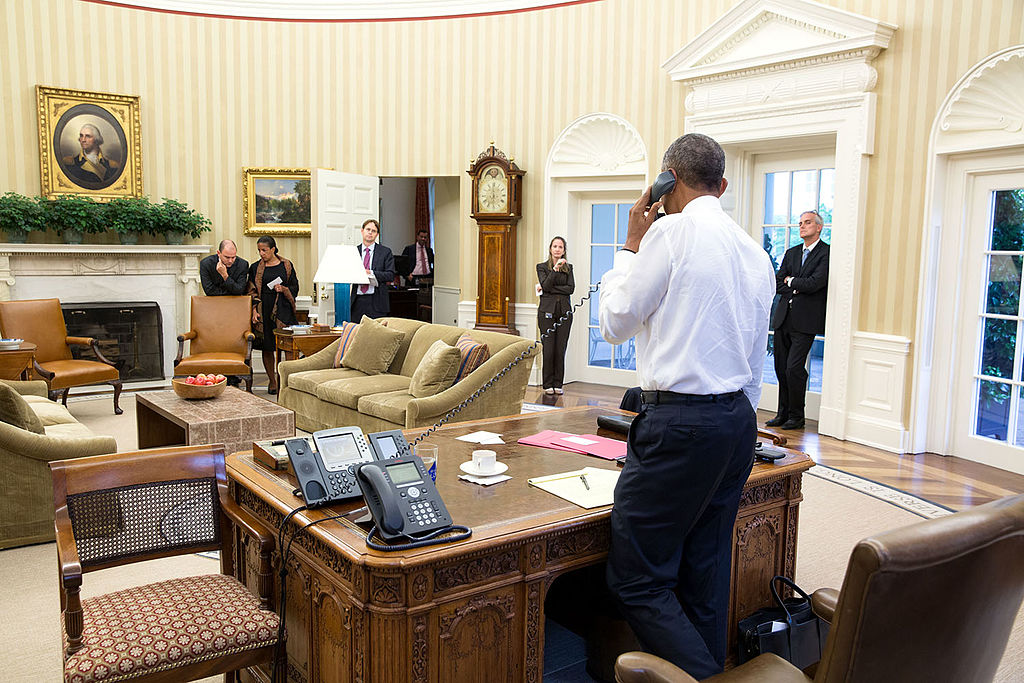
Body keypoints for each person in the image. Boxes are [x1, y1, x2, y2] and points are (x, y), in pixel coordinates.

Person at [598, 133, 775, 679]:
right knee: (705, 569)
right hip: (737, 422)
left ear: (667, 181)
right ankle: (711, 669)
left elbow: (615, 323)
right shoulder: (755, 252)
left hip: (679, 426)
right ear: (722, 185)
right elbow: (755, 360)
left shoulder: (668, 233)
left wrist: (629, 246)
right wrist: (736, 424)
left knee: (636, 579)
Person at [766, 211, 830, 430]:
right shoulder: (792, 252)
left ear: (819, 227)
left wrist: (791, 281)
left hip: (806, 321)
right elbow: (777, 282)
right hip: (784, 318)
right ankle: (782, 414)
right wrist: (795, 286)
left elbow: (815, 283)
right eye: (800, 223)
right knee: (781, 368)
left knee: (794, 368)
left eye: (807, 222)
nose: (802, 226)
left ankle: (797, 416)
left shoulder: (826, 253)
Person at [247, 235, 299, 395]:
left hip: (283, 309)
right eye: (259, 250)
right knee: (267, 346)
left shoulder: (286, 265)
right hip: (264, 310)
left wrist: (284, 289)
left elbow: (295, 287)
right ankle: (272, 381)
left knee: (287, 345)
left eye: (264, 250)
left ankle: (287, 381)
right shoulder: (255, 267)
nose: (261, 253)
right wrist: (254, 310)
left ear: (273, 249)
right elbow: (251, 291)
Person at [200, 239, 250, 386]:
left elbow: (240, 290)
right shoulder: (206, 264)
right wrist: (230, 292)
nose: (231, 261)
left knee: (233, 343)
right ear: (218, 253)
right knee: (216, 344)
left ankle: (233, 379)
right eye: (227, 257)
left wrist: (225, 276)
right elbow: (209, 291)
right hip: (213, 311)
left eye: (233, 257)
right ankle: (215, 378)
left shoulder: (242, 265)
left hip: (235, 311)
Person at [536, 236, 575, 395]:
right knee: (549, 349)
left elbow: (570, 289)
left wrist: (550, 289)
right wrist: (555, 270)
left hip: (564, 312)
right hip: (546, 311)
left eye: (560, 247)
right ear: (550, 249)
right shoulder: (542, 267)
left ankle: (558, 383)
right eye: (555, 246)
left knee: (560, 349)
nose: (557, 249)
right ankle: (547, 384)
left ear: (564, 250)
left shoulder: (569, 268)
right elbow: (545, 285)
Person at [351, 219, 395, 320]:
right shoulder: (354, 251)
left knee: (376, 329)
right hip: (357, 301)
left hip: (377, 301)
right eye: (368, 229)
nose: (370, 232)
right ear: (362, 231)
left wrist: (370, 273)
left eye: (373, 231)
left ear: (377, 234)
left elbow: (390, 275)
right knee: (356, 329)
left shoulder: (385, 252)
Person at [61, 123, 120, 189]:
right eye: (81, 136)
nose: (83, 140)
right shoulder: (70, 163)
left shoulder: (112, 165)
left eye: (88, 136)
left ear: (96, 139)